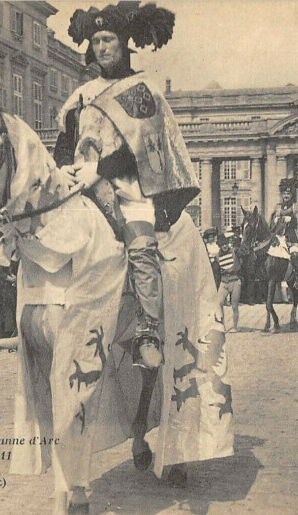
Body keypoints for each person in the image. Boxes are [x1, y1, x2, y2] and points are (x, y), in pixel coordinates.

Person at [56, 2, 199, 369]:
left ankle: (148, 331)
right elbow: (65, 141)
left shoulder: (140, 90)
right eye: (96, 41)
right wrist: (65, 167)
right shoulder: (82, 95)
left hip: (129, 186)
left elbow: (146, 146)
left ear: (123, 43)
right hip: (80, 185)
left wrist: (100, 169)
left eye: (108, 39)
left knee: (141, 245)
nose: (102, 47)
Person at [269, 178, 298, 289]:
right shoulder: (277, 207)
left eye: (288, 194)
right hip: (278, 236)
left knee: (295, 253)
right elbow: (271, 223)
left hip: (292, 237)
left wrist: (292, 222)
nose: (286, 196)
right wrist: (275, 222)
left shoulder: (296, 207)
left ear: (291, 195)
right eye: (284, 193)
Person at [216, 234, 241, 332]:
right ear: (219, 245)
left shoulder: (234, 252)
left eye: (226, 244)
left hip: (235, 281)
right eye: (222, 244)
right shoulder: (217, 256)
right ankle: (222, 325)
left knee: (234, 306)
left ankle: (235, 327)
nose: (225, 246)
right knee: (219, 303)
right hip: (224, 282)